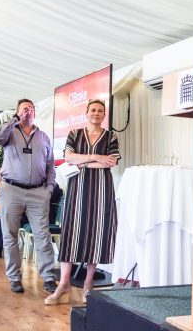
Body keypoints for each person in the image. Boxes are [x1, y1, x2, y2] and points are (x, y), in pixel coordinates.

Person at [46, 99, 120, 305]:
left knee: (96, 233)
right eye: (93, 110)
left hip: (102, 191)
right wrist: (97, 157)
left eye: (100, 111)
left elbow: (111, 162)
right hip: (77, 190)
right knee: (72, 233)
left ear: (104, 115)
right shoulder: (75, 134)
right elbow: (69, 158)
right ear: (86, 113)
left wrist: (83, 161)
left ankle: (88, 283)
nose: (96, 113)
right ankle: (64, 284)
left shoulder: (111, 136)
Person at [0, 98, 58, 294]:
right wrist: (14, 119)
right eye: (24, 109)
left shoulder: (44, 137)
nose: (28, 111)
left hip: (38, 192)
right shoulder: (10, 132)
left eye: (31, 108)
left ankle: (48, 277)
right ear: (17, 112)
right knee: (10, 235)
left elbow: (50, 166)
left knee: (43, 235)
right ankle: (14, 278)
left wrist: (48, 189)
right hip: (11, 190)